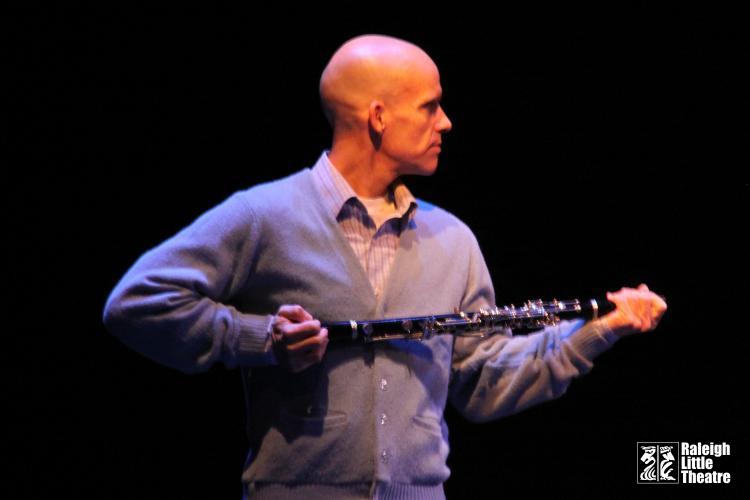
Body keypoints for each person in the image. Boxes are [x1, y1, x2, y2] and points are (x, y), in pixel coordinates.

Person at [103, 34, 667, 499]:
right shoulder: (265, 215)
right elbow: (137, 303)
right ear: (378, 116)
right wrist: (259, 339)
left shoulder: (453, 240)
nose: (446, 122)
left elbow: (483, 381)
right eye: (429, 106)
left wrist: (599, 331)